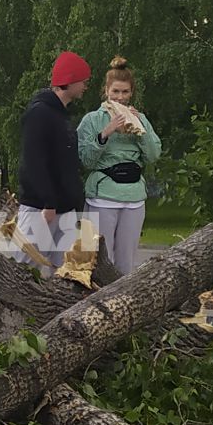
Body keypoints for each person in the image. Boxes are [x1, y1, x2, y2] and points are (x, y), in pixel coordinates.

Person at [76, 56, 161, 275]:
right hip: (103, 194)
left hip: (133, 197)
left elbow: (152, 156)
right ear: (106, 91)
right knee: (99, 258)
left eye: (125, 92)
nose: (120, 98)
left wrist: (139, 128)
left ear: (131, 93)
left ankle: (123, 301)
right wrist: (106, 132)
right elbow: (86, 159)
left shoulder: (140, 117)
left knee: (126, 259)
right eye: (115, 92)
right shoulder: (92, 119)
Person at [17, 50, 91, 270]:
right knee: (27, 267)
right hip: (42, 208)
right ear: (69, 81)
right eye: (83, 81)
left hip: (65, 208)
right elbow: (34, 161)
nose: (85, 86)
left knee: (59, 271)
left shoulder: (61, 116)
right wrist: (48, 201)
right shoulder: (39, 114)